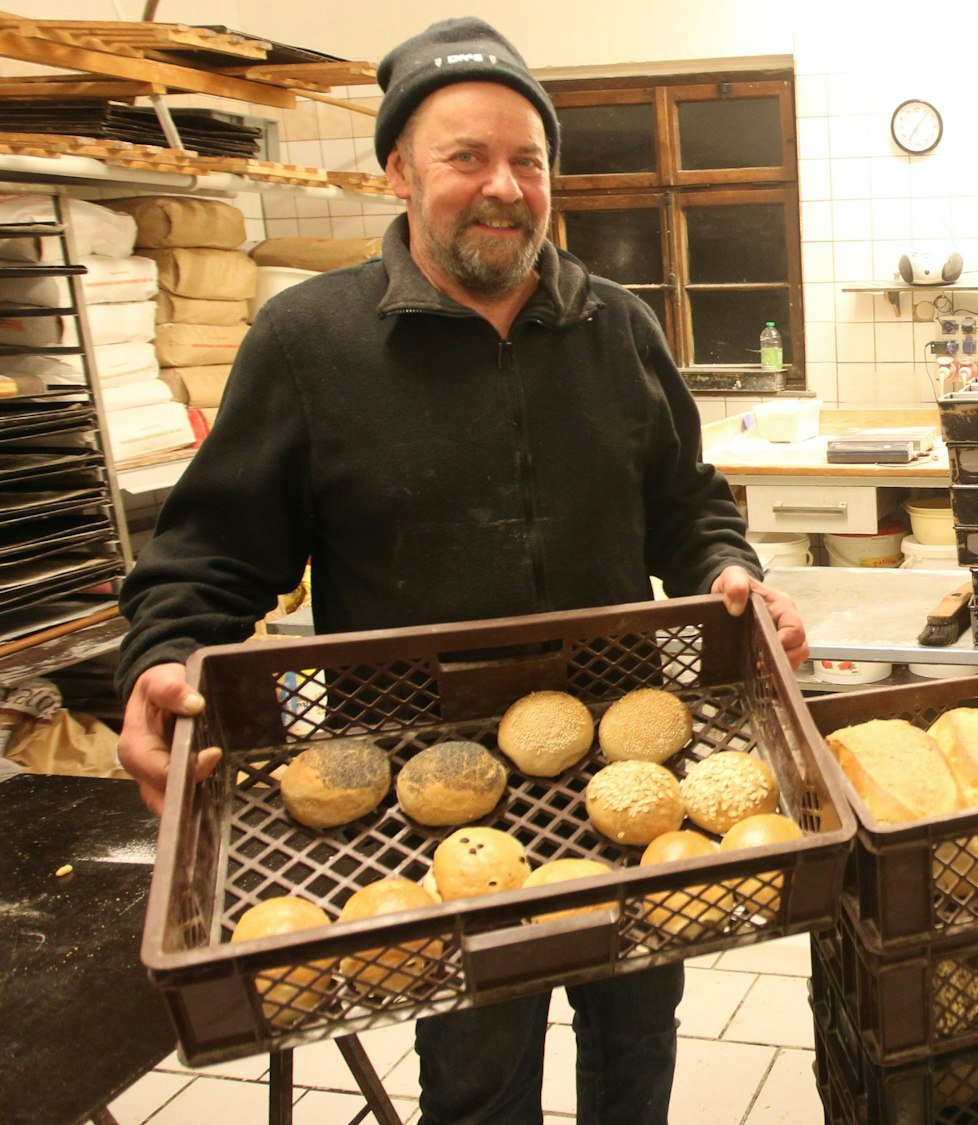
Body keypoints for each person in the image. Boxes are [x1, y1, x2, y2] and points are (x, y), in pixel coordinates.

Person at [112, 17, 807, 1124]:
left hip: (628, 759)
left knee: (637, 1034)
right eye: (465, 157)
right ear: (397, 169)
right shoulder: (309, 342)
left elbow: (685, 506)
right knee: (478, 1070)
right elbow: (210, 557)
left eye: (528, 160)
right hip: (423, 784)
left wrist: (729, 569)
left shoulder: (618, 329)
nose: (503, 188)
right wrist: (162, 657)